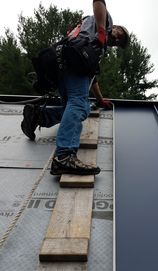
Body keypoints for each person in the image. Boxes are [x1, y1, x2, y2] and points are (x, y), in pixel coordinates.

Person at [21, 0, 129, 176]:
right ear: (114, 26)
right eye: (119, 34)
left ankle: (39, 116)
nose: (117, 39)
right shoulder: (104, 22)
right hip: (73, 63)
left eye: (119, 42)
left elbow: (91, 79)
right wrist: (103, 31)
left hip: (65, 67)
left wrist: (100, 100)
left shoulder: (95, 47)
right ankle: (64, 156)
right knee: (79, 105)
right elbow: (99, 1)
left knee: (77, 107)